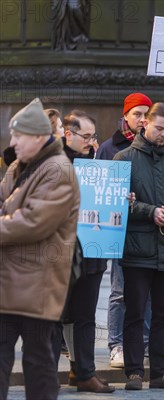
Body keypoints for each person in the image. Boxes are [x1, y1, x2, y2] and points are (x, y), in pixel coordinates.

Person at [0, 98, 80, 400]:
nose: (12, 143)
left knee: (38, 361)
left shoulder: (58, 169)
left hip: (38, 285)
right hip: (10, 282)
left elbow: (34, 222)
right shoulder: (21, 166)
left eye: (17, 136)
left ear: (36, 137)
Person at [114, 102, 164, 391]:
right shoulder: (124, 158)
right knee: (134, 312)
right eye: (159, 128)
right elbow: (117, 201)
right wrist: (150, 211)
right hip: (137, 249)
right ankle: (134, 372)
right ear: (144, 124)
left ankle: (160, 371)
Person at [96, 92, 154, 369]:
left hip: (148, 229)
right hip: (120, 228)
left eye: (146, 114)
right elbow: (100, 190)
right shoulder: (109, 147)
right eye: (137, 114)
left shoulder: (156, 146)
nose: (142, 120)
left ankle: (145, 345)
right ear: (126, 116)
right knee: (120, 291)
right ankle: (116, 345)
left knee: (149, 293)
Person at [60, 110, 115, 393]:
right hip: (59, 254)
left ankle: (84, 373)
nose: (91, 141)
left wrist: (120, 198)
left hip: (91, 253)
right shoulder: (53, 163)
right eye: (85, 136)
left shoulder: (96, 164)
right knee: (54, 316)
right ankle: (47, 371)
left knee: (85, 316)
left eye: (93, 136)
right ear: (67, 134)